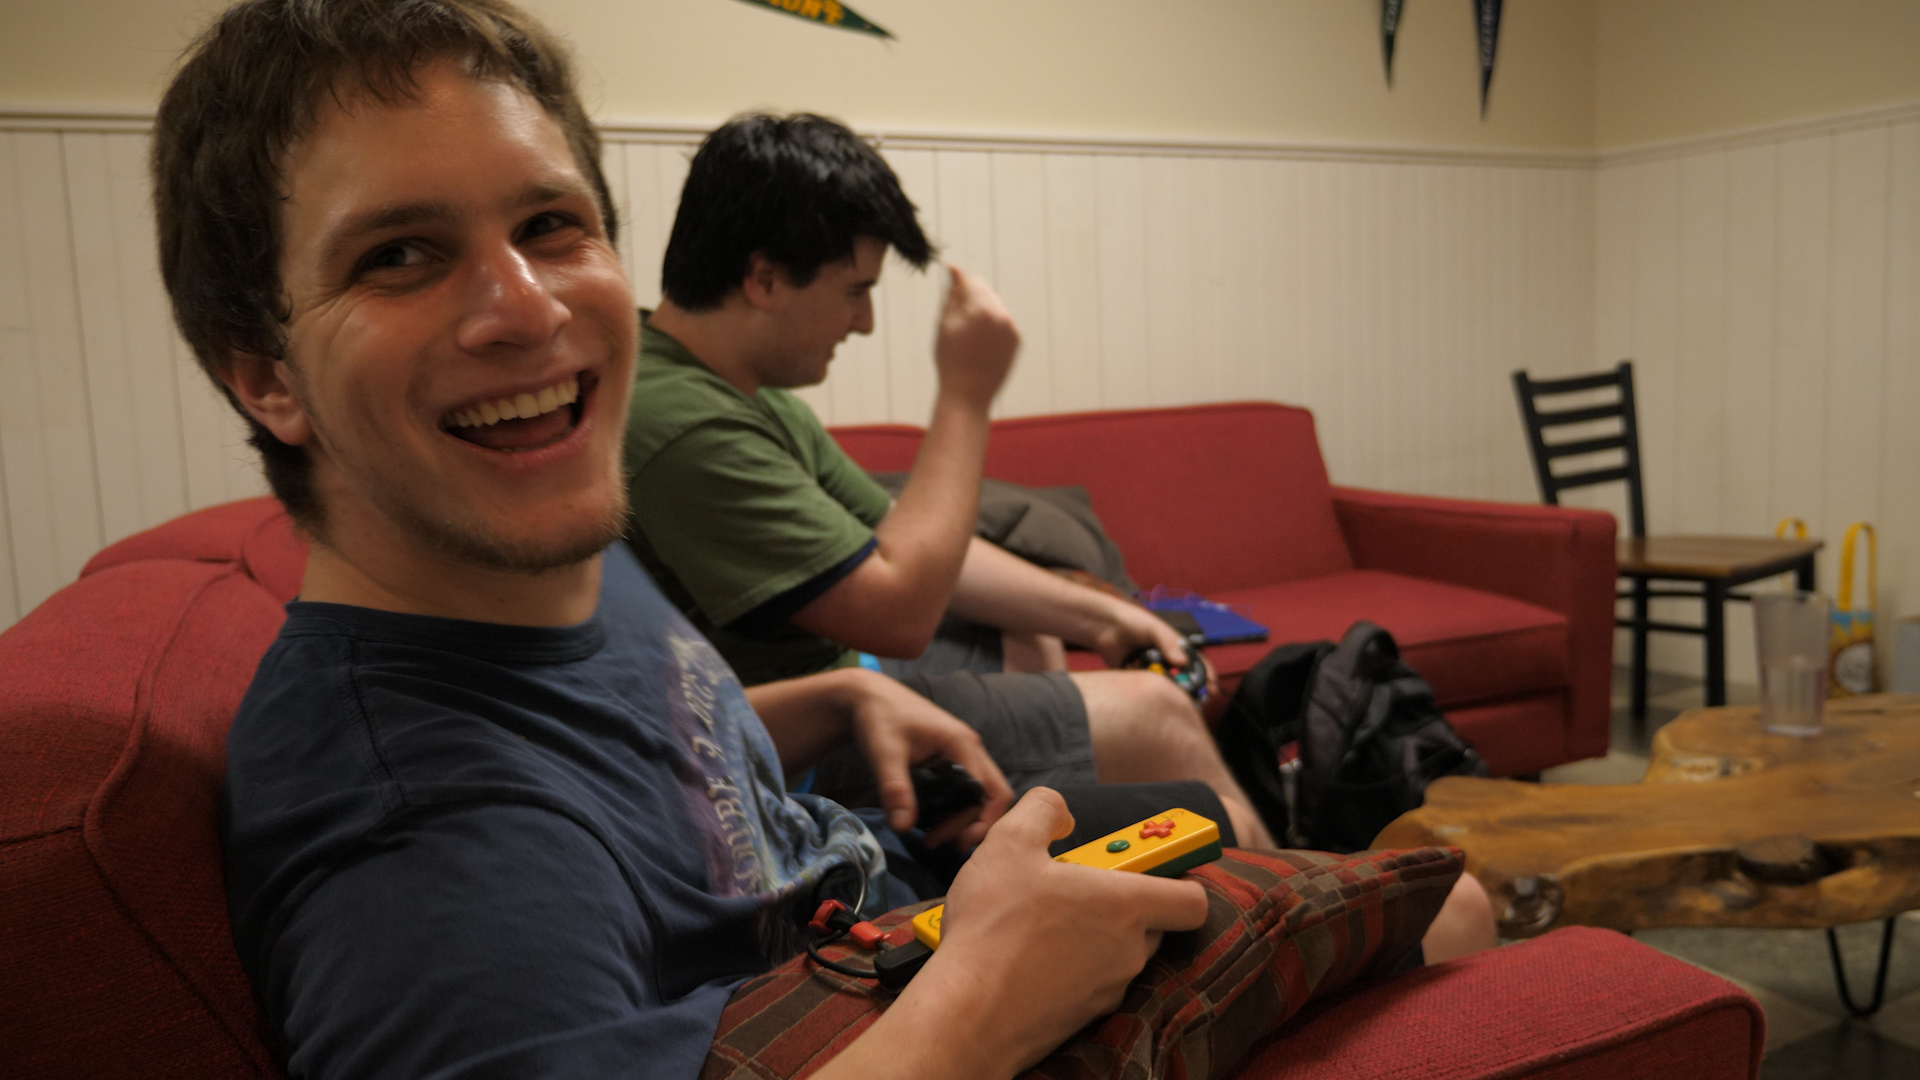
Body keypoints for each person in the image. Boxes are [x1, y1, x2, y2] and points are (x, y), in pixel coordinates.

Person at [155, 2, 1492, 1077]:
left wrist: (823, 700)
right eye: (397, 254)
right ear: (262, 376)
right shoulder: (426, 848)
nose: (523, 307)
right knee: (1454, 908)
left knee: (1223, 803)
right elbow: (900, 597)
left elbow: (632, 739)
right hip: (898, 979)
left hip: (877, 877)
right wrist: (975, 1007)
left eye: (551, 225)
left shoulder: (536, 532)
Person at [625, 112, 1276, 848]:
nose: (865, 323)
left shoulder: (732, 386)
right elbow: (898, 613)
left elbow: (902, 534)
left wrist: (1111, 620)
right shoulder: (681, 423)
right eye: (854, 291)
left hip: (839, 674)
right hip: (777, 746)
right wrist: (965, 396)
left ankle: (1045, 859)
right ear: (764, 277)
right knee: (1160, 714)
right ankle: (1305, 903)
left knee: (1030, 626)